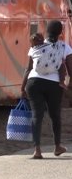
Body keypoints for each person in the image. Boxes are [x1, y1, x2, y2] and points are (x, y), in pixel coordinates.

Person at [21, 20, 72, 159]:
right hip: (54, 85)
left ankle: (37, 150)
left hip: (34, 83)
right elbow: (69, 68)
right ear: (60, 32)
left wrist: (22, 87)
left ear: (46, 31)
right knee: (55, 115)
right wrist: (67, 85)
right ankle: (57, 147)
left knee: (37, 115)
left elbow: (29, 68)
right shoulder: (64, 47)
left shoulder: (36, 45)